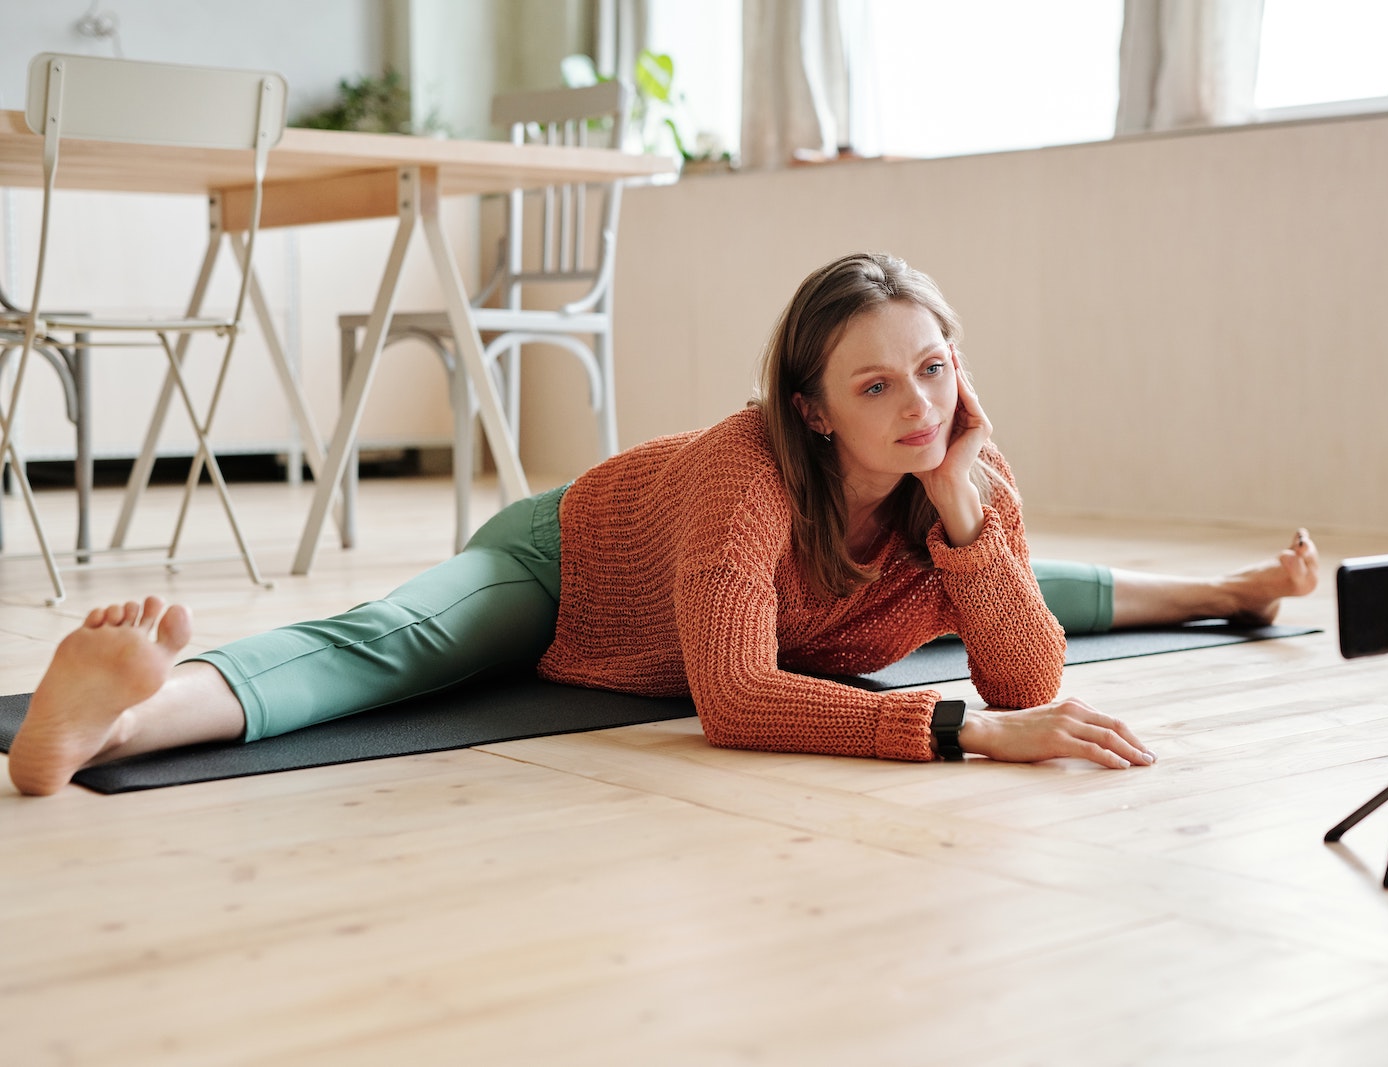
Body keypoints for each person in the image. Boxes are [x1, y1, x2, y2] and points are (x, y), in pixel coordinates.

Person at [7, 252, 1317, 796]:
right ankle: (106, 725)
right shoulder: (749, 471)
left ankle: (1221, 594)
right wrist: (966, 734)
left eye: (936, 363)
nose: (923, 404)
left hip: (776, 602)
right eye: (877, 384)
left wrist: (963, 506)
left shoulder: (962, 463)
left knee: (1020, 575)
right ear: (812, 410)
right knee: (390, 647)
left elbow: (1029, 663)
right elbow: (738, 701)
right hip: (572, 568)